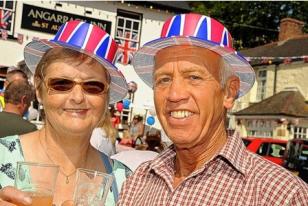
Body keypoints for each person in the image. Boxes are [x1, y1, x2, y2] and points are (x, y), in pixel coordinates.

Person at [118, 13, 308, 205]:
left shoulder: (282, 196)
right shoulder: (138, 181)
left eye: (194, 77)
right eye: (164, 79)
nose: (175, 95)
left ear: (228, 92)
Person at [0, 20, 129, 206]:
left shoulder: (125, 181)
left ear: (106, 97)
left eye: (93, 86)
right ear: (39, 89)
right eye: (61, 84)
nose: (77, 97)